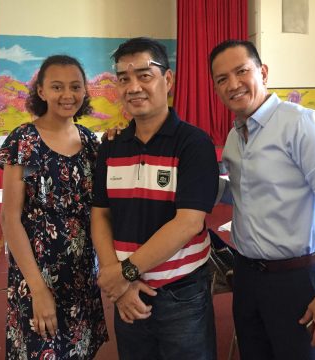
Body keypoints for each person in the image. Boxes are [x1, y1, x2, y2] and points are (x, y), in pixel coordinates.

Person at [209, 40, 315, 359]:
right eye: (222, 79)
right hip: (248, 277)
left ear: (263, 72)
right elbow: (240, 192)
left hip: (297, 280)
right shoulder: (235, 137)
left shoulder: (300, 124)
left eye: (241, 71)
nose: (233, 84)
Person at [91, 37, 219, 360]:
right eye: (123, 79)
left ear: (168, 79)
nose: (133, 87)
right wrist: (118, 281)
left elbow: (188, 223)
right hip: (127, 295)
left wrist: (124, 274)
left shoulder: (193, 144)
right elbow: (101, 215)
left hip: (181, 295)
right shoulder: (111, 145)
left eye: (144, 75)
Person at [0, 55, 108, 359]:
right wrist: (38, 288)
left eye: (75, 86)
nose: (67, 95)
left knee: (80, 351)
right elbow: (10, 219)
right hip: (37, 275)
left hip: (81, 276)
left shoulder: (89, 143)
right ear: (41, 91)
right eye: (57, 87)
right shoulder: (26, 141)